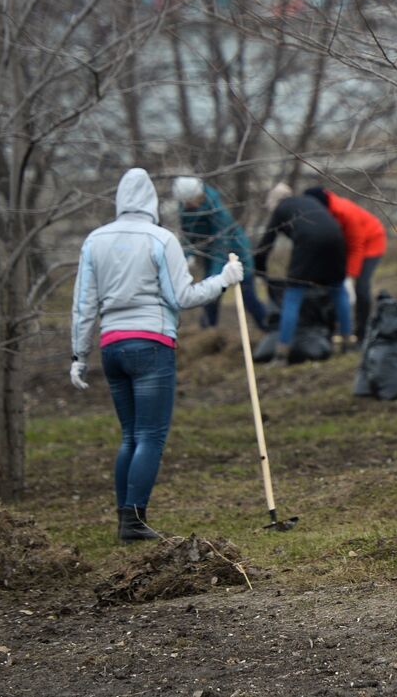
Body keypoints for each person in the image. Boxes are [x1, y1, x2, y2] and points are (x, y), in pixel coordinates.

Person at [71, 168, 245, 541]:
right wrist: (224, 279)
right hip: (151, 345)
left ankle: (126, 519)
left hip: (112, 347)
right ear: (151, 200)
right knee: (150, 436)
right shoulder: (161, 239)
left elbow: (84, 306)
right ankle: (134, 522)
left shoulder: (94, 241)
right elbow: (182, 297)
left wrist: (78, 355)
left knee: (130, 436)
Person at [255, 183, 352, 362]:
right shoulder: (307, 200)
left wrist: (259, 271)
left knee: (292, 295)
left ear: (274, 202)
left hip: (309, 244)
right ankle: (347, 342)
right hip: (336, 239)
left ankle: (281, 353)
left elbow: (265, 245)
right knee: (338, 290)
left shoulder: (280, 210)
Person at [173, 177, 268, 329]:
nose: (188, 205)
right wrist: (185, 257)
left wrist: (217, 278)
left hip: (236, 253)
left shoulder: (216, 210)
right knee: (210, 300)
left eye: (190, 201)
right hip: (211, 255)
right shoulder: (185, 209)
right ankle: (209, 332)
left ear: (198, 195)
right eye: (185, 202)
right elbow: (187, 235)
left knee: (248, 297)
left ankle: (268, 327)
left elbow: (221, 245)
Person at [304, 187, 388, 341]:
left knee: (361, 288)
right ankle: (335, 328)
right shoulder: (322, 213)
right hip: (348, 247)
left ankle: (363, 332)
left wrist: (349, 277)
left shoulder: (344, 211)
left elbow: (356, 245)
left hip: (372, 242)